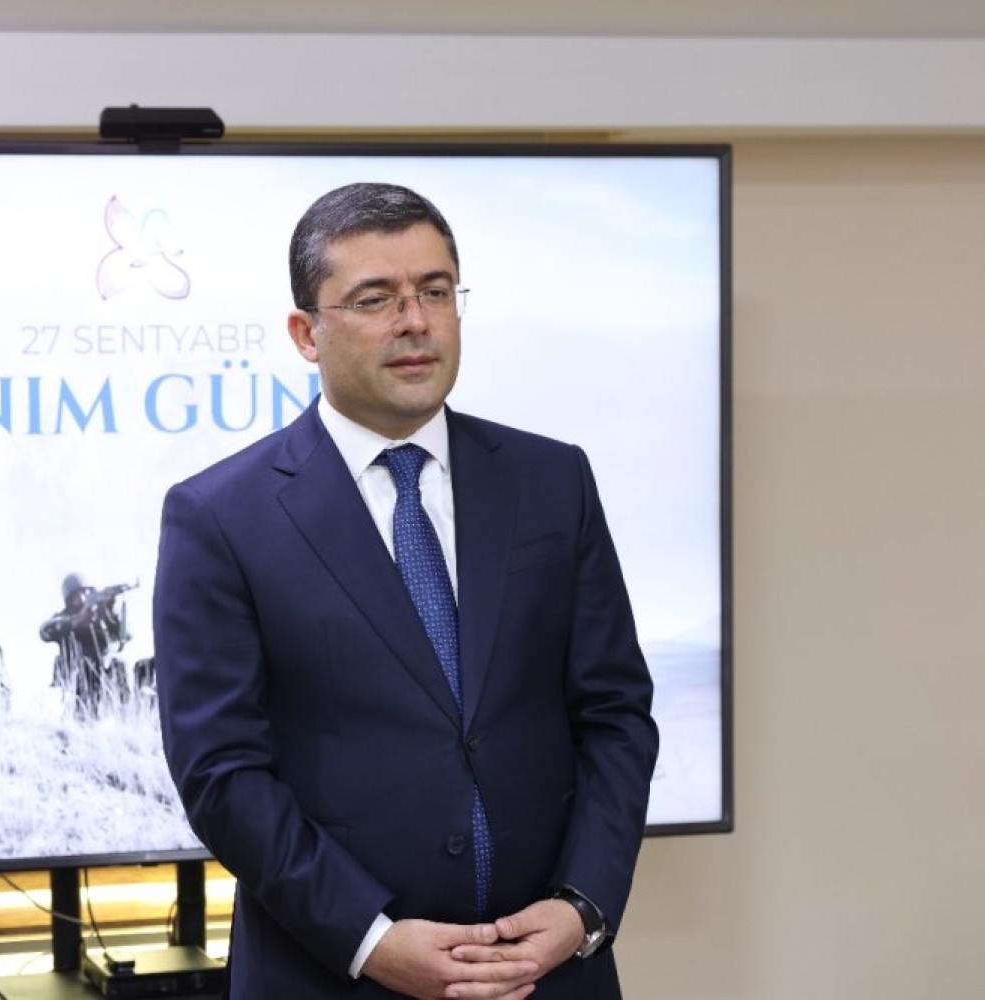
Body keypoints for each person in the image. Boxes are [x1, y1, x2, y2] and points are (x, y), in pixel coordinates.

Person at [153, 183, 658, 999]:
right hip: (334, 975)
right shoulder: (220, 516)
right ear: (306, 333)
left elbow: (616, 715)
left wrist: (582, 906)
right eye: (374, 299)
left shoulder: (552, 480)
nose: (414, 321)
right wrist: (371, 939)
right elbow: (222, 773)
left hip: (549, 971)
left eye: (435, 291)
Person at [38, 572, 136, 718]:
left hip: (103, 670)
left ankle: (126, 716)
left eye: (88, 592)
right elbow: (45, 631)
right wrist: (77, 620)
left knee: (120, 665)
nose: (84, 597)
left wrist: (110, 613)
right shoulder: (64, 618)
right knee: (86, 669)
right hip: (78, 673)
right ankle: (83, 718)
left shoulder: (101, 619)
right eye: (79, 594)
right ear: (70, 600)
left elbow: (126, 636)